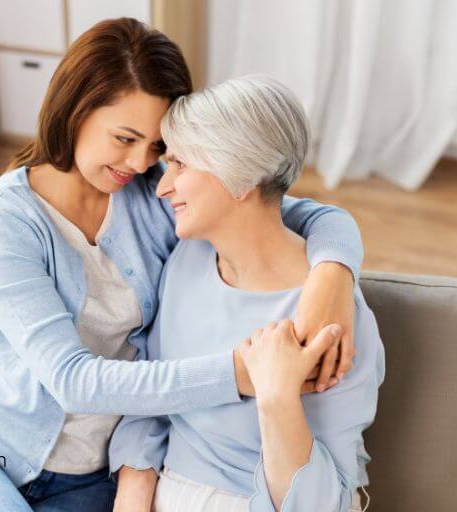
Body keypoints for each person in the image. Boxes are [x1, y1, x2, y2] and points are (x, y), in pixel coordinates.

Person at [0, 19, 364, 512]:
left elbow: (288, 207)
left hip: (88, 476)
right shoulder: (3, 220)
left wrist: (333, 272)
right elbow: (73, 381)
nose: (141, 163)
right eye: (124, 138)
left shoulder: (158, 197)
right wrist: (243, 374)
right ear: (75, 110)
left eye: (157, 146)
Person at [110, 75, 384, 512]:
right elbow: (154, 391)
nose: (162, 187)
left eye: (181, 165)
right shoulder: (186, 259)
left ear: (239, 176)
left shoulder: (330, 316)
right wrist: (133, 485)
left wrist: (277, 399)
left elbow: (321, 504)